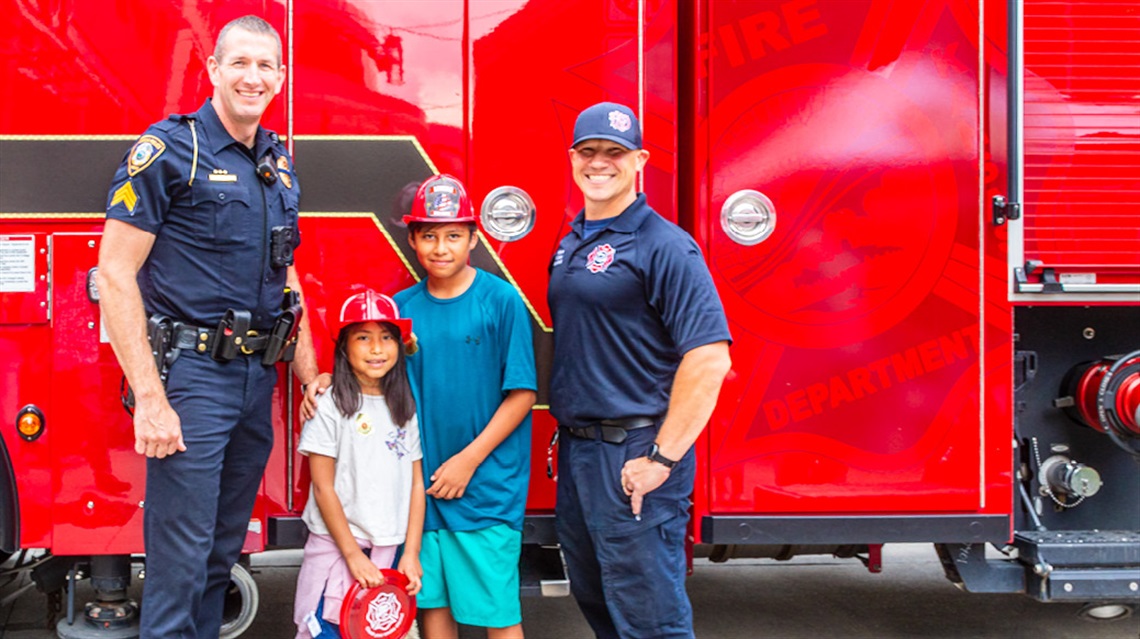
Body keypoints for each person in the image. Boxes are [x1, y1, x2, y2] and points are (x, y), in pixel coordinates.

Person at [96, 15, 318, 638]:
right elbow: (115, 274)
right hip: (191, 380)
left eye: (266, 65)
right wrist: (150, 400)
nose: (254, 77)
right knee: (180, 562)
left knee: (221, 556)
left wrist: (310, 376)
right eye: (239, 64)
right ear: (214, 70)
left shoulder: (276, 160)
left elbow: (287, 272)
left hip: (254, 381)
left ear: (281, 75)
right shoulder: (172, 151)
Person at [547, 102, 732, 639]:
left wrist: (661, 460)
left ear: (639, 161)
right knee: (598, 599)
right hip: (583, 452)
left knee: (649, 617)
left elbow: (709, 358)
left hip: (636, 454)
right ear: (573, 158)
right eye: (589, 152)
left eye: (615, 153)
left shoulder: (665, 245)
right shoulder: (573, 242)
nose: (599, 163)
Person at [293, 290, 424, 639]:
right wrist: (352, 556)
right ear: (344, 348)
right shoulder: (329, 404)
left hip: (389, 554)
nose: (377, 349)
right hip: (339, 552)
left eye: (386, 337)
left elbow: (415, 484)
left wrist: (410, 554)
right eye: (363, 338)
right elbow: (322, 486)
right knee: (330, 630)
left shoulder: (404, 407)